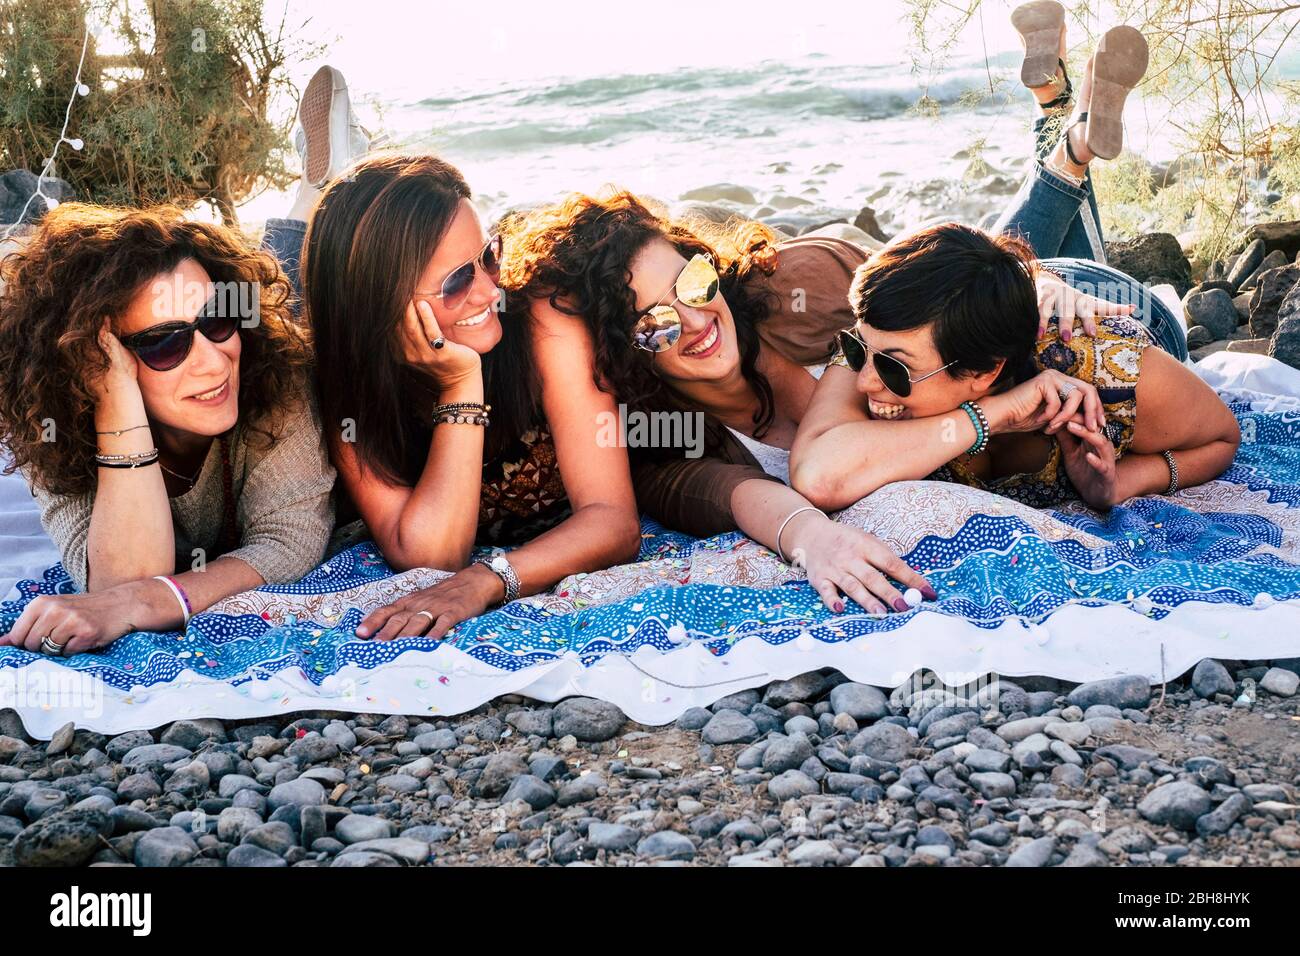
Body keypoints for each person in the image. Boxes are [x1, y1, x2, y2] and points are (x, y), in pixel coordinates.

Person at [274, 67, 641, 642]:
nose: (491, 290)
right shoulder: (340, 379)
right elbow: (430, 555)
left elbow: (614, 521)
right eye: (455, 283)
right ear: (382, 305)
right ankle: (317, 182)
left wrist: (490, 579)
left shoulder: (543, 317)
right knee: (278, 282)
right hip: (337, 305)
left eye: (488, 256)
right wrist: (461, 387)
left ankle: (334, 178)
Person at [0, 204, 335, 655]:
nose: (214, 361)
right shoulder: (53, 430)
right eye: (164, 343)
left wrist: (152, 600)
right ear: (87, 363)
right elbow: (117, 584)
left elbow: (288, 540)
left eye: (216, 319)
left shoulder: (274, 376)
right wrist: (116, 402)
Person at [788, 222, 1240, 511]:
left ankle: (1066, 139)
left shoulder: (1110, 368)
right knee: (1004, 266)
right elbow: (817, 475)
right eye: (855, 349)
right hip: (1001, 298)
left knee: (1048, 269)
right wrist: (994, 415)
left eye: (893, 370)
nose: (864, 380)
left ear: (983, 374)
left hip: (1106, 303)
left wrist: (1122, 482)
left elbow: (1222, 436)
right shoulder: (883, 338)